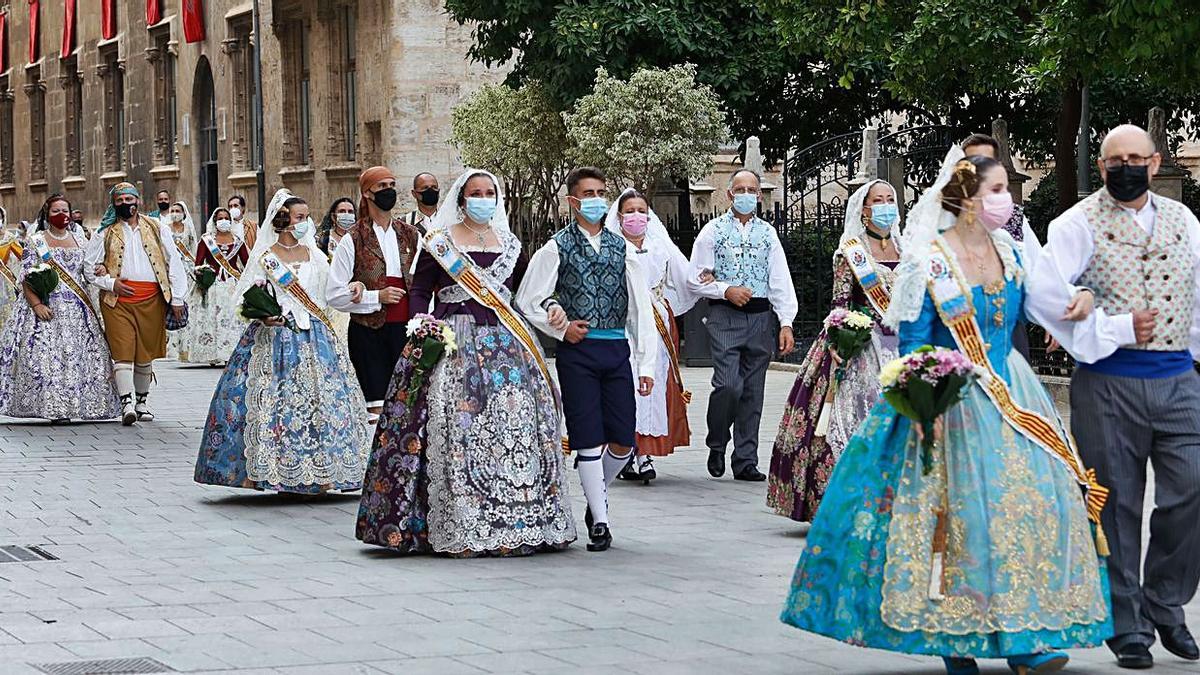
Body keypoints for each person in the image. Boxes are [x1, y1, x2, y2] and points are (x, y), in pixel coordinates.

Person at [781, 148, 1112, 675]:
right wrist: (924, 403)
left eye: (1008, 190)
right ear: (966, 200)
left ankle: (1023, 639)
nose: (1007, 200)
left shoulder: (1012, 250)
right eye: (997, 191)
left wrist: (1084, 300)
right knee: (959, 520)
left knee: (1022, 510)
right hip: (951, 399)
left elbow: (1053, 302)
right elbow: (914, 341)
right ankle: (954, 639)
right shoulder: (927, 260)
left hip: (1013, 397)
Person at [1025, 124, 1200, 670]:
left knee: (1192, 487)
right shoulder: (1076, 222)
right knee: (1116, 502)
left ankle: (1165, 600)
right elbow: (1042, 295)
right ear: (1102, 168)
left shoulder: (1185, 220)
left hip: (1179, 378)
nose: (1125, 167)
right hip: (1108, 382)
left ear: (1155, 163)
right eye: (1114, 160)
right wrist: (1113, 325)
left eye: (1136, 158)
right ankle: (1127, 624)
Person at [356, 169, 575, 556]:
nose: (483, 198)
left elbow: (529, 292)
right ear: (461, 199)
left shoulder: (509, 244)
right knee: (457, 426)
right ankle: (461, 521)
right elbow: (421, 288)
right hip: (455, 339)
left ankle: (517, 519)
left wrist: (553, 306)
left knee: (514, 424)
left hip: (507, 344)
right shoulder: (440, 242)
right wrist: (423, 324)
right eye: (476, 192)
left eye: (490, 192)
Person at [517, 166, 656, 552]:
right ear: (572, 201)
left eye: (601, 192)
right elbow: (528, 299)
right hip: (578, 352)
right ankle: (601, 519)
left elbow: (640, 309)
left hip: (615, 350)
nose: (596, 199)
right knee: (588, 437)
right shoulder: (555, 247)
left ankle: (597, 492)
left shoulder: (623, 248)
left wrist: (646, 365)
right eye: (588, 193)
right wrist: (560, 327)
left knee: (623, 440)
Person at [194, 190, 370, 494]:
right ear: (282, 219)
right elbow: (244, 299)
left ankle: (323, 472)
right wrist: (262, 315)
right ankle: (275, 470)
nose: (305, 223)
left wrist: (356, 285)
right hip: (275, 338)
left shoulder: (315, 254)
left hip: (315, 337)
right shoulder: (265, 258)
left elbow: (332, 290)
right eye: (299, 218)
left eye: (306, 217)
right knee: (273, 404)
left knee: (321, 404)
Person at [767, 179, 901, 522]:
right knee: (851, 423)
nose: (886, 206)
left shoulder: (907, 250)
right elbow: (839, 305)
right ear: (865, 209)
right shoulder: (852, 252)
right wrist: (841, 339)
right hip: (861, 350)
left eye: (891, 199)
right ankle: (846, 501)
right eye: (878, 200)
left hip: (899, 347)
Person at [688, 169, 797, 482]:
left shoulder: (768, 234)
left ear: (759, 196)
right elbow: (695, 278)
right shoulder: (712, 231)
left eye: (753, 189)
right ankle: (717, 442)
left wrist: (785, 321)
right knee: (728, 385)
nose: (747, 194)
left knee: (753, 391)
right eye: (741, 189)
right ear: (729, 194)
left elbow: (780, 279)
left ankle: (746, 459)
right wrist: (724, 289)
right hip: (725, 317)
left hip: (761, 319)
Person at [602, 189, 697, 483]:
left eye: (640, 210)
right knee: (625, 384)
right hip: (624, 322)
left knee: (652, 385)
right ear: (619, 216)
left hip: (656, 322)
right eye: (629, 210)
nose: (635, 216)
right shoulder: (611, 247)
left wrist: (712, 282)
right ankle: (625, 451)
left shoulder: (660, 246)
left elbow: (687, 276)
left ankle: (646, 454)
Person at [0, 195, 120, 422]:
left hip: (78, 311)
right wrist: (36, 305)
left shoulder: (82, 240)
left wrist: (102, 269)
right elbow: (26, 277)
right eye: (56, 211)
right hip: (47, 309)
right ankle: (56, 407)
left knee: (81, 358)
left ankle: (84, 405)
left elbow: (89, 269)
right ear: (47, 214)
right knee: (50, 359)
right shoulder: (36, 241)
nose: (61, 215)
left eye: (65, 210)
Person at [85, 182, 189, 426]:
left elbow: (173, 262)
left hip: (152, 298)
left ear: (138, 201)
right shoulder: (105, 231)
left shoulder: (157, 227)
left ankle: (142, 402)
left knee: (144, 354)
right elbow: (89, 268)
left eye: (128, 199)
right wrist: (111, 283)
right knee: (122, 352)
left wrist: (177, 297)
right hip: (117, 301)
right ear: (114, 204)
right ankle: (126, 403)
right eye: (119, 201)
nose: (125, 204)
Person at [327, 166, 420, 421]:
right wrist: (375, 297)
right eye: (382, 186)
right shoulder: (353, 238)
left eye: (392, 184)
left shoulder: (411, 234)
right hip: (369, 332)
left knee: (407, 407)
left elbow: (423, 283)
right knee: (377, 410)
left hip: (407, 332)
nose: (389, 190)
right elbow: (334, 294)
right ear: (367, 193)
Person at [961, 133, 1035, 360]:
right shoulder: (945, 219)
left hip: (1007, 328)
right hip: (961, 329)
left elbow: (1035, 266)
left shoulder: (1014, 217)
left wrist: (1049, 318)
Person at [185, 207, 249, 366]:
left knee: (232, 319)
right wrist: (202, 274)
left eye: (226, 218)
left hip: (232, 285)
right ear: (215, 221)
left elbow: (247, 264)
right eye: (220, 218)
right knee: (212, 318)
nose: (224, 221)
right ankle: (213, 353)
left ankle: (230, 352)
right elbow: (198, 263)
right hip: (213, 286)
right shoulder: (207, 240)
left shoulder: (238, 241)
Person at [163, 202, 199, 362]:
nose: (175, 213)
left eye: (178, 211)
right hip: (172, 270)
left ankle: (187, 347)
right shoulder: (165, 229)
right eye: (173, 210)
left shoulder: (189, 229)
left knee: (187, 305)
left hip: (188, 270)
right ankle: (171, 348)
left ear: (184, 213)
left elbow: (194, 249)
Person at [318, 197, 357, 339]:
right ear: (334, 216)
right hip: (330, 296)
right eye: (342, 211)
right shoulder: (323, 239)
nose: (346, 214)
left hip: (355, 296)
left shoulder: (359, 238)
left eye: (350, 211)